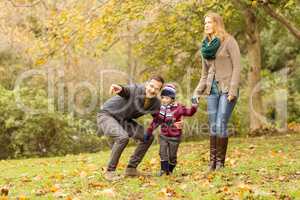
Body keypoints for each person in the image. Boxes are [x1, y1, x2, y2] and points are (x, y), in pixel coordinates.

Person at [98, 76, 182, 181]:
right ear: (147, 84)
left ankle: (131, 169)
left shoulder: (155, 103)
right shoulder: (136, 90)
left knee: (148, 137)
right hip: (107, 115)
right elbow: (126, 91)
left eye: (156, 89)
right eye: (151, 86)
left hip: (124, 120)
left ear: (159, 91)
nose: (152, 90)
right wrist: (120, 88)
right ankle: (110, 172)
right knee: (122, 137)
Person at [193, 12, 241, 171]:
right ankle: (212, 163)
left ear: (217, 24)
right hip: (211, 91)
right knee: (213, 125)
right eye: (205, 23)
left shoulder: (229, 41)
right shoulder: (205, 46)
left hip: (227, 89)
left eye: (209, 22)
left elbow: (237, 67)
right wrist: (197, 92)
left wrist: (233, 89)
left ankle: (220, 163)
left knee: (221, 122)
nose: (206, 25)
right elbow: (204, 74)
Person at [145, 84, 198, 176]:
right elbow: (156, 121)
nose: (164, 100)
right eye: (163, 98)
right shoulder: (161, 109)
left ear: (172, 99)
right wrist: (149, 131)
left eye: (167, 98)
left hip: (175, 137)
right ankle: (163, 171)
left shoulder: (179, 108)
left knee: (172, 156)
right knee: (162, 152)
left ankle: (169, 170)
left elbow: (190, 112)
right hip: (164, 135)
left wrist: (194, 105)